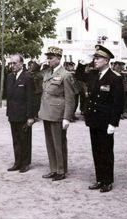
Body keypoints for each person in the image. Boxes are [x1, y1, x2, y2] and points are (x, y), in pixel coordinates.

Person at [75, 45, 124, 192]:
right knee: (96, 150)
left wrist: (113, 123)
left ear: (107, 60)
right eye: (94, 58)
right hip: (94, 120)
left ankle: (107, 181)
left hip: (106, 121)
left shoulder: (115, 78)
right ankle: (99, 179)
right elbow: (79, 76)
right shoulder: (93, 75)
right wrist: (82, 63)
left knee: (106, 151)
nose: (95, 60)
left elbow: (118, 103)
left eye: (98, 58)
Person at [38, 46, 76, 181]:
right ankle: (53, 168)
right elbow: (35, 76)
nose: (48, 60)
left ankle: (61, 170)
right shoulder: (47, 73)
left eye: (51, 57)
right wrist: (39, 65)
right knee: (49, 142)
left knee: (59, 143)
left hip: (58, 114)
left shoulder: (66, 75)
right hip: (47, 112)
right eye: (47, 57)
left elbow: (70, 98)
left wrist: (67, 117)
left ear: (59, 58)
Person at [6, 54, 35, 173]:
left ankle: (25, 162)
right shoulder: (9, 77)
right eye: (11, 63)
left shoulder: (27, 77)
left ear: (21, 63)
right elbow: (9, 97)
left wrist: (30, 116)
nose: (12, 65)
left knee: (25, 139)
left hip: (24, 115)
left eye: (15, 63)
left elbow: (31, 98)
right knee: (16, 139)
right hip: (13, 113)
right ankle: (17, 162)